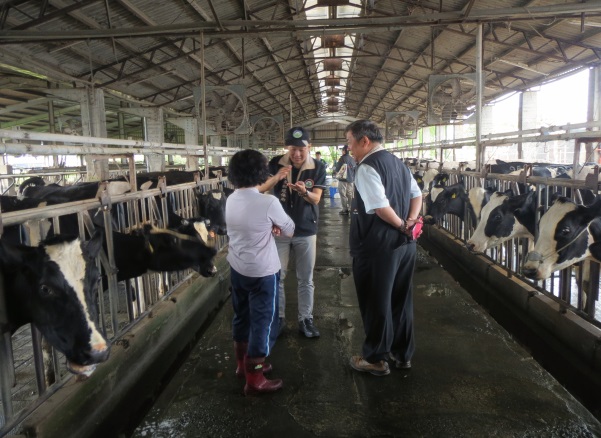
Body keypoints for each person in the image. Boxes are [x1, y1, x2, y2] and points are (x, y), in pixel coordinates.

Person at [345, 119, 423, 377]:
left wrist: (402, 225)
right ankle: (403, 355)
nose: (350, 149)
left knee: (376, 300)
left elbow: (380, 207)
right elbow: (417, 195)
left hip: (377, 247)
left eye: (350, 143)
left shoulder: (367, 167)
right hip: (405, 246)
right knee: (401, 299)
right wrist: (410, 224)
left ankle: (376, 359)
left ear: (364, 141)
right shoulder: (397, 162)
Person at [226, 149, 295, 395]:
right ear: (261, 172)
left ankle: (240, 365)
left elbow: (249, 227)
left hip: (237, 268)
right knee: (264, 323)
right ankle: (255, 376)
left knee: (241, 316)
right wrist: (275, 225)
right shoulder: (268, 202)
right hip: (262, 273)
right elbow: (290, 230)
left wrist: (268, 226)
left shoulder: (231, 199)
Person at [259, 126, 326, 338]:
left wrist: (303, 191)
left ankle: (306, 319)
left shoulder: (318, 166)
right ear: (286, 147)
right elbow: (261, 189)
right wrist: (277, 177)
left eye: (301, 149)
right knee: (277, 276)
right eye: (292, 149)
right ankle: (278, 319)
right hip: (279, 230)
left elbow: (316, 199)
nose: (297, 154)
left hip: (306, 230)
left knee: (306, 278)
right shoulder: (275, 163)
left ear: (309, 147)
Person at [333, 145, 356, 215]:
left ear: (344, 151)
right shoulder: (352, 159)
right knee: (350, 194)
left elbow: (337, 169)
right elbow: (355, 169)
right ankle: (351, 208)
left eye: (342, 150)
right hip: (351, 180)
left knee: (343, 194)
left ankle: (345, 209)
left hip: (343, 180)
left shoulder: (342, 159)